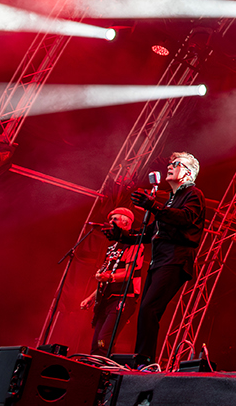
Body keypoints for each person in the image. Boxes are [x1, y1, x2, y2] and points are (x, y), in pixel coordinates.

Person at [110, 152, 204, 369]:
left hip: (175, 259)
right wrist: (122, 236)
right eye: (170, 163)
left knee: (149, 308)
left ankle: (145, 361)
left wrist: (154, 206)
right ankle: (142, 359)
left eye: (176, 164)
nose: (169, 166)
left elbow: (186, 218)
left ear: (188, 172)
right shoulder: (171, 199)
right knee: (147, 311)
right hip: (159, 261)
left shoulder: (193, 194)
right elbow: (153, 230)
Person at [81, 207, 145, 355]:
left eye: (114, 219)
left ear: (126, 223)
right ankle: (95, 363)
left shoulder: (134, 244)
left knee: (104, 339)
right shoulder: (112, 248)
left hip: (122, 299)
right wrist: (91, 297)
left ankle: (104, 365)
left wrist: (110, 277)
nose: (110, 222)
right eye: (110, 219)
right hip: (107, 299)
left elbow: (129, 273)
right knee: (96, 342)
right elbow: (107, 277)